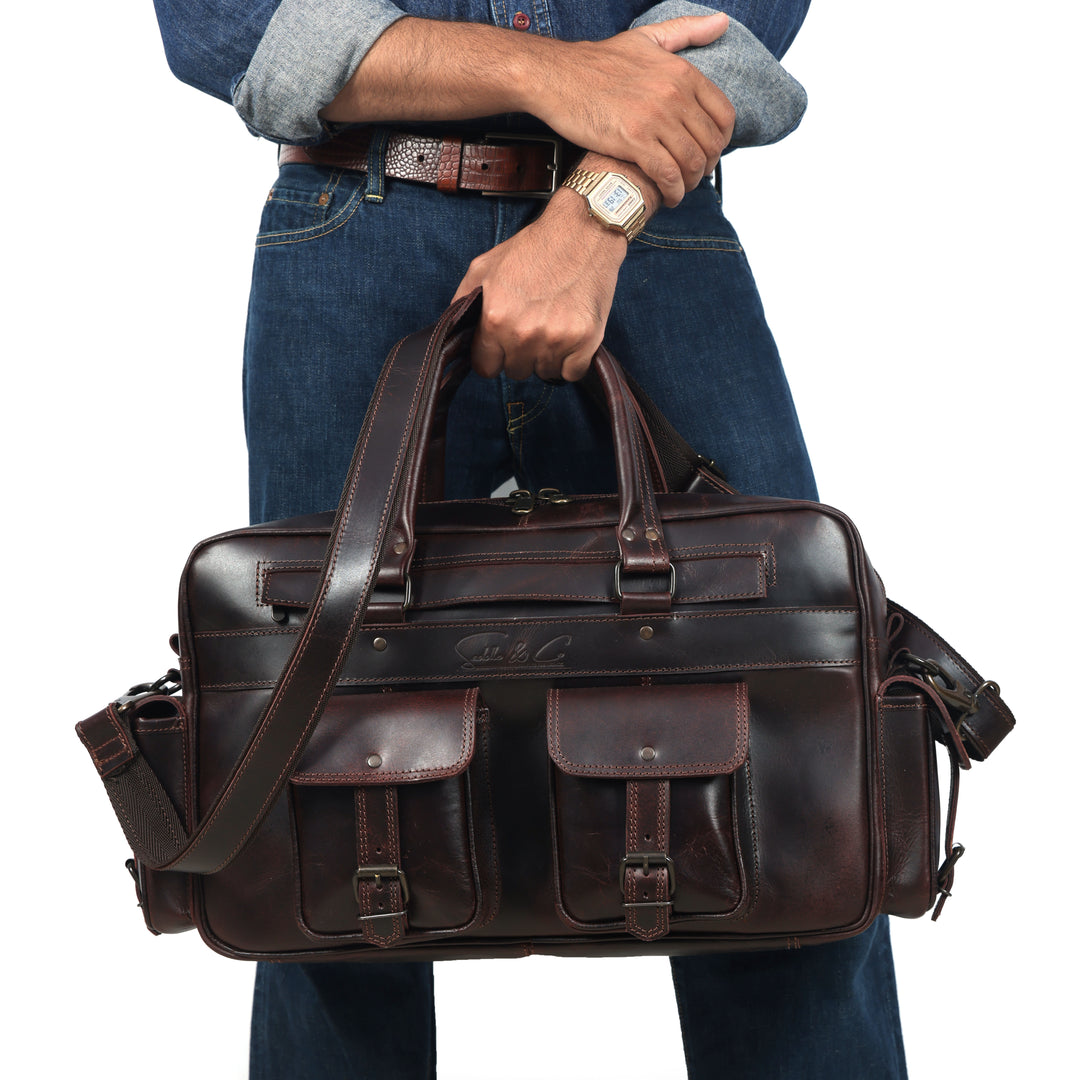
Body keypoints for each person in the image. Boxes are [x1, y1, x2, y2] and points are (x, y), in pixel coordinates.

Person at [152, 2, 907, 1076]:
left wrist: (598, 208)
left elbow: (732, 24)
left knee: (788, 808)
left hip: (659, 232)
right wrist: (563, 80)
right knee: (327, 833)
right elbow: (232, 23)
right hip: (355, 239)